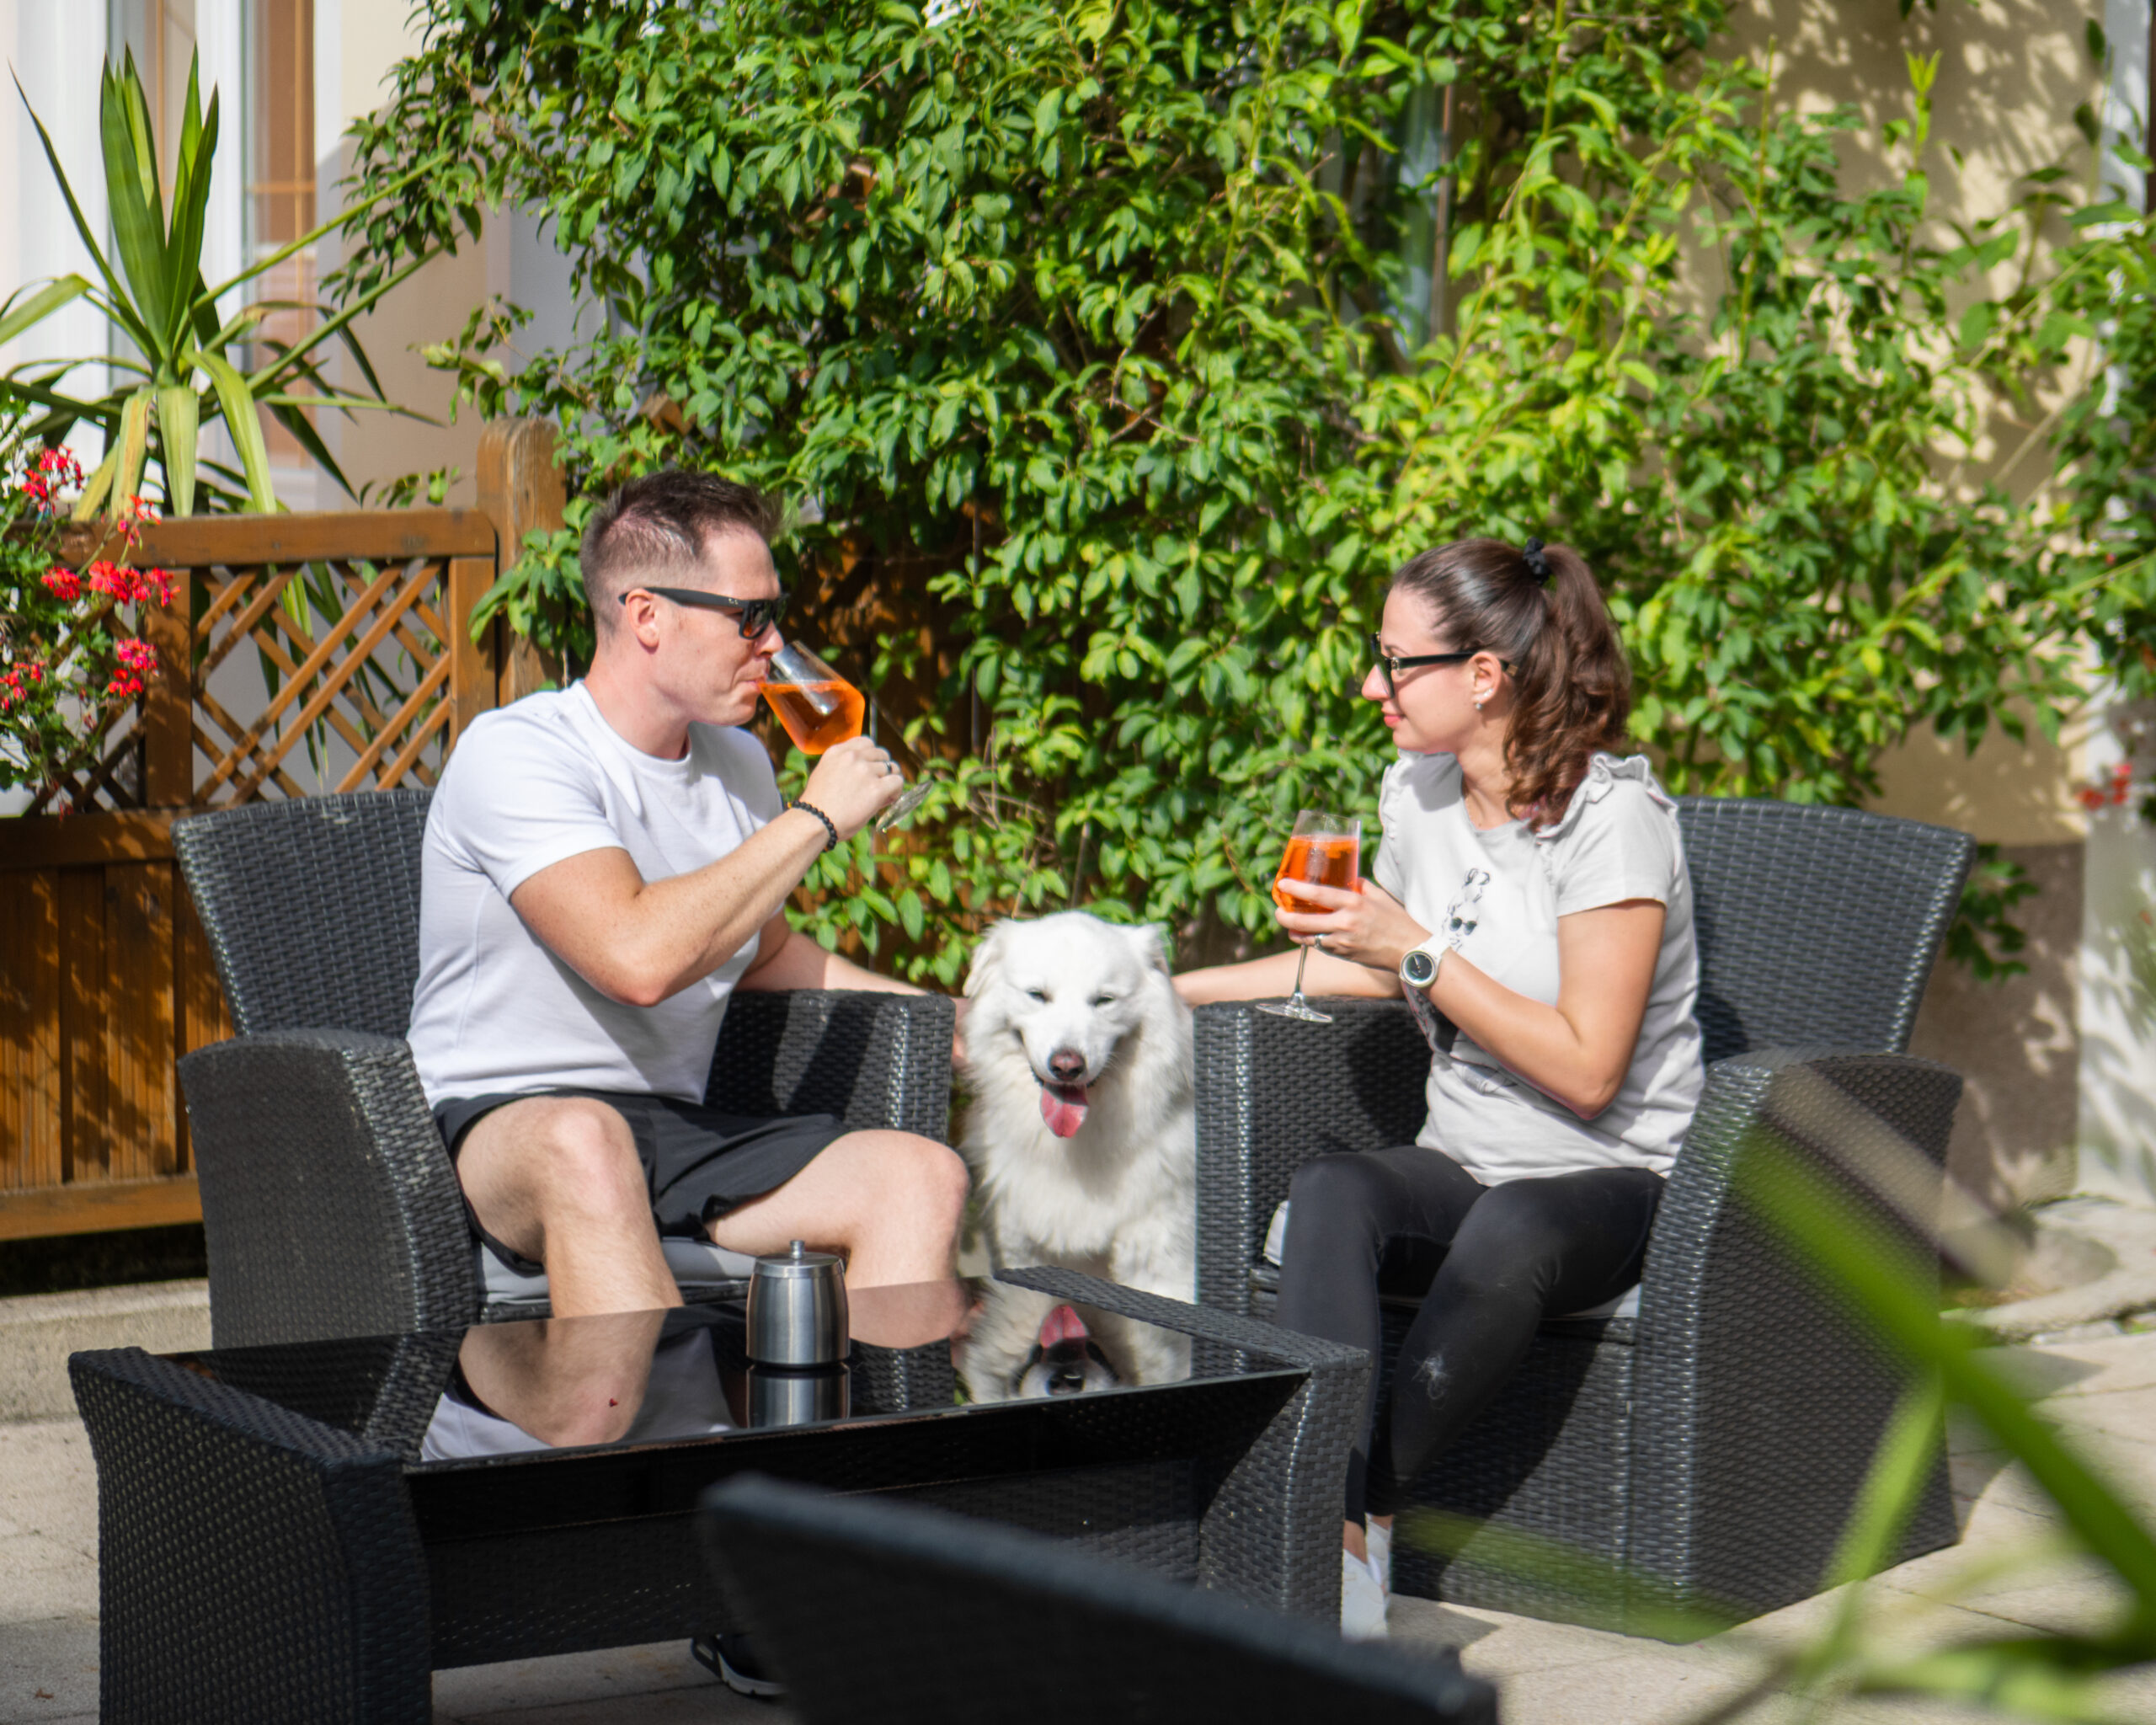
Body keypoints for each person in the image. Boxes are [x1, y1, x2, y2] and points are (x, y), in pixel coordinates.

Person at [1175, 536, 1704, 1640]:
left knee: (1513, 1223)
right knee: (1331, 1191)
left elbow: (1589, 1069)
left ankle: (1346, 1514)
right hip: (1465, 1153)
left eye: (1396, 662)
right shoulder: (1415, 792)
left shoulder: (1612, 823)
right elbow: (1383, 962)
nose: (1372, 685)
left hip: (1610, 1179)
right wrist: (1176, 989)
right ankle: (1327, 1542)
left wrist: (1409, 947)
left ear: (1484, 676)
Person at [406, 468, 970, 1322]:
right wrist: (815, 815)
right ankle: (656, 1449)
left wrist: (935, 1011)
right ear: (646, 616)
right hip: (501, 1125)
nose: (775, 644)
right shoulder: (519, 752)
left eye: (775, 613)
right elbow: (636, 959)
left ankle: (859, 1452)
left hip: (672, 1127)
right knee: (586, 1140)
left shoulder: (737, 761)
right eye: (750, 616)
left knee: (920, 1176)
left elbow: (766, 952)